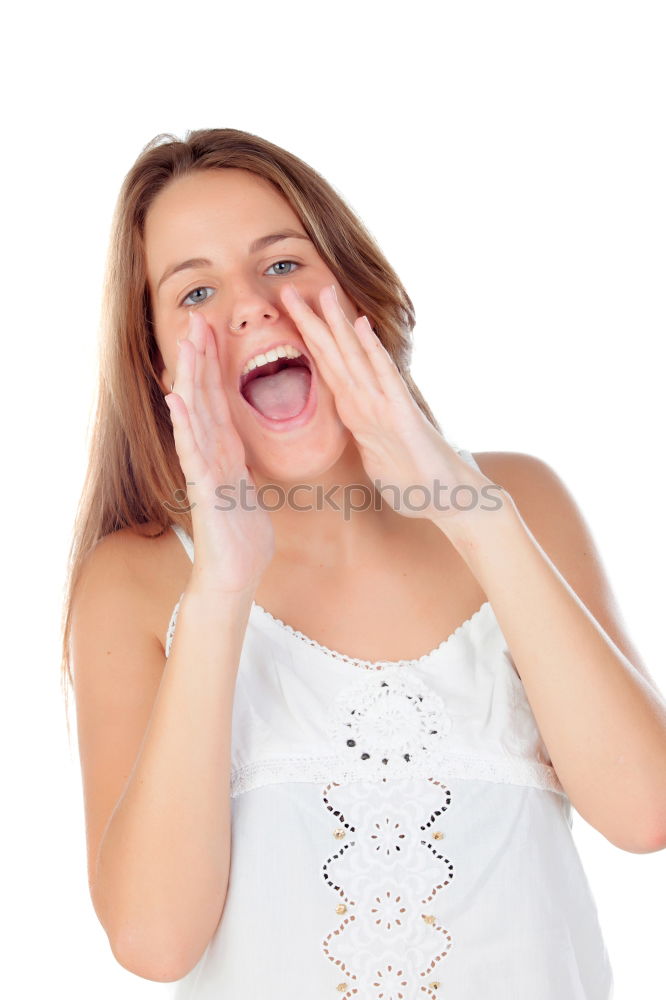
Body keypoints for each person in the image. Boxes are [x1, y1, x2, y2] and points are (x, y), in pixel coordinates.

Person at [63, 128, 666, 999]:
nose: (249, 306)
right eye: (194, 289)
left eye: (280, 265)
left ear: (355, 290)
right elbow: (157, 941)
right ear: (157, 362)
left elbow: (645, 811)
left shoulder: (516, 502)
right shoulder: (136, 579)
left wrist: (470, 510)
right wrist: (225, 583)